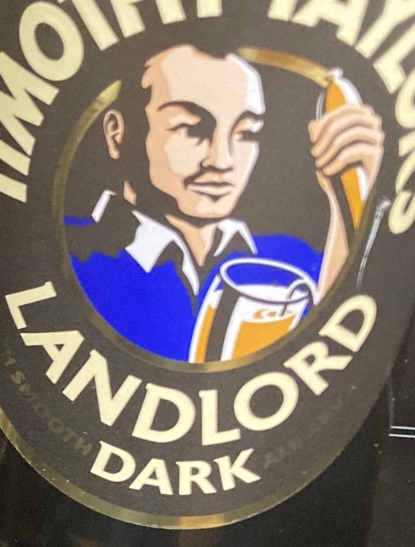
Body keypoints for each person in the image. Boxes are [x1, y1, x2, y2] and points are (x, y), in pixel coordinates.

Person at [65, 43, 385, 361]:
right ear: (117, 133)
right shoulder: (71, 256)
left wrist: (354, 189)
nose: (222, 161)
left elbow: (332, 351)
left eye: (246, 133)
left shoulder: (291, 263)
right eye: (191, 129)